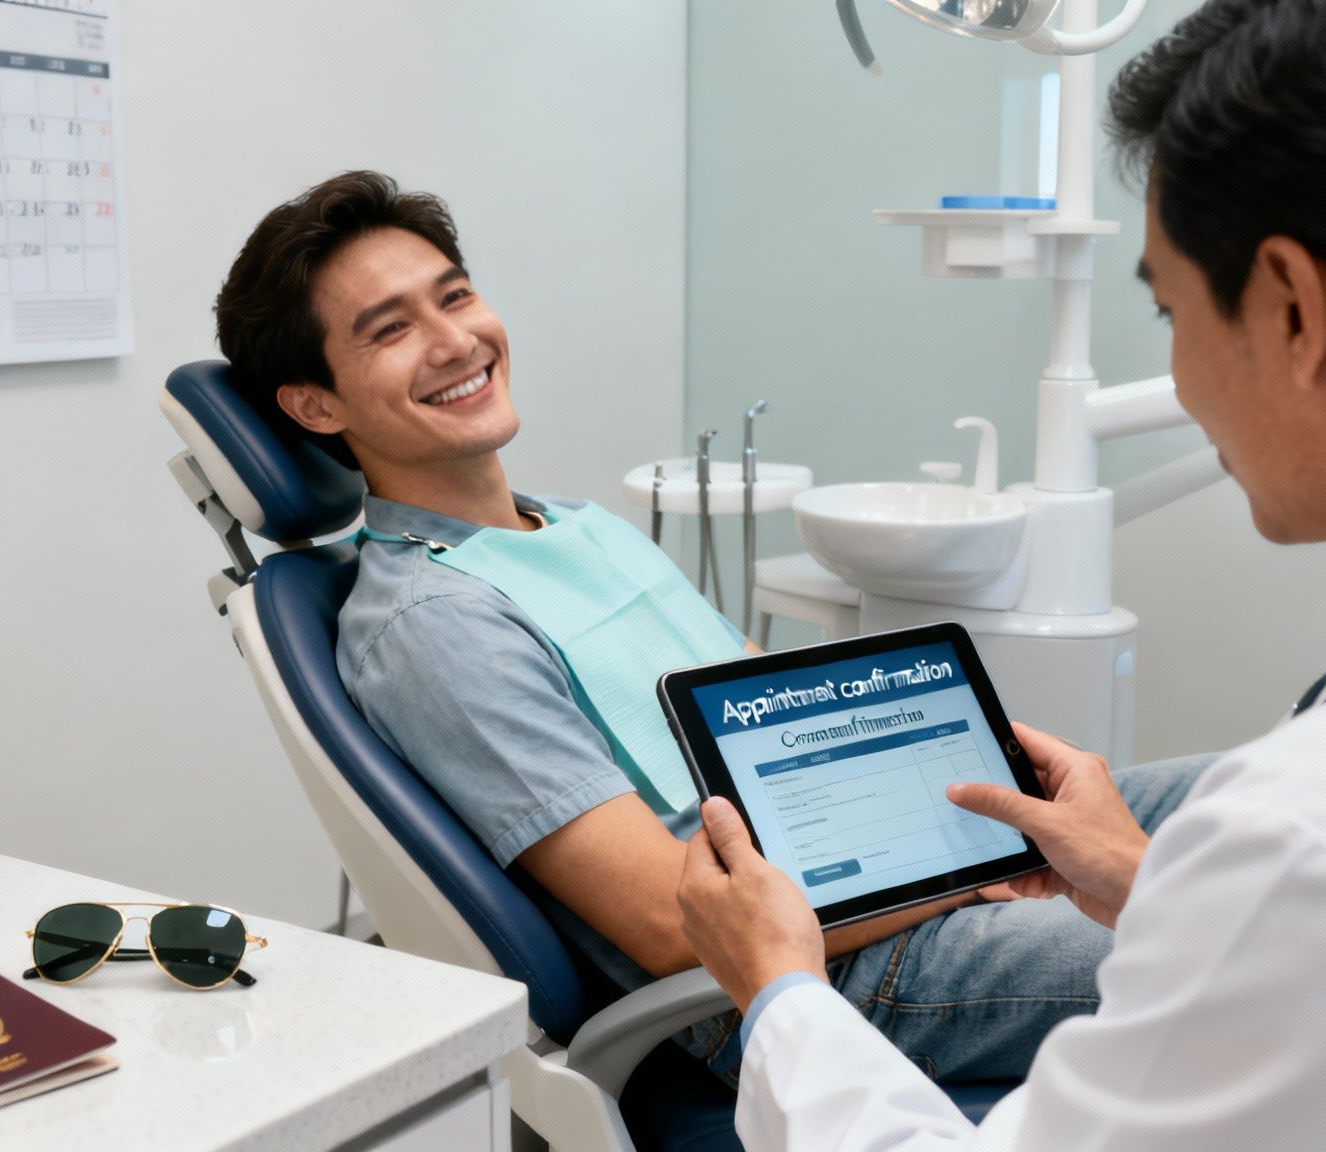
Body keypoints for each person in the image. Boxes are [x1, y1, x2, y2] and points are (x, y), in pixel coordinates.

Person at [675, 0, 1326, 1146]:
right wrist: (1143, 881)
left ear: (1293, 308)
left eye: (1166, 308)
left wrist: (777, 992)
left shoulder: (1324, 831)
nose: (1176, 368)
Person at [211, 171, 1211, 1085]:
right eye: (388, 331)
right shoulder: (433, 623)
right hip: (815, 965)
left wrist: (961, 816)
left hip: (874, 864)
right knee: (1239, 944)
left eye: (455, 294)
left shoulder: (572, 524)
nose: (454, 341)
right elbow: (668, 923)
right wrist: (968, 874)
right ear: (312, 402)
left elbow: (762, 700)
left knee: (1243, 797)